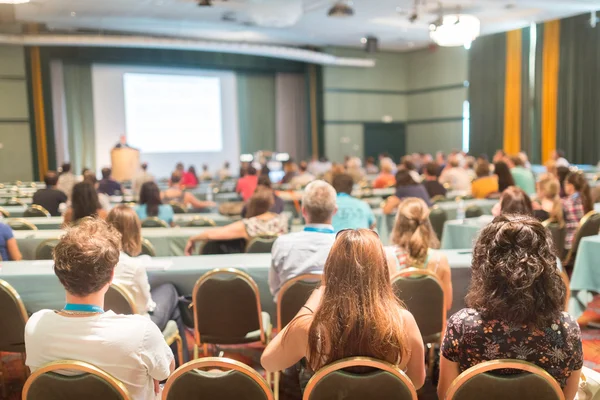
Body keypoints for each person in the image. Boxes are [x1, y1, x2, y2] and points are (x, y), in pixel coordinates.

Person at [24, 219, 174, 400]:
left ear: (60, 276)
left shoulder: (34, 326)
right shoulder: (141, 331)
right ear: (111, 275)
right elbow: (166, 371)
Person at [437, 215, 582, 400]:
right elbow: (567, 398)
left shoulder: (461, 326)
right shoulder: (567, 328)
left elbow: (446, 395)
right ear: (546, 266)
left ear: (484, 267)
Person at [261, 229, 426, 391]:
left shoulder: (311, 329)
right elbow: (416, 382)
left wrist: (311, 303)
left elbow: (268, 362)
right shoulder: (403, 322)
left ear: (330, 270)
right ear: (381, 271)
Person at [107, 206, 188, 363]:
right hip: (137, 324)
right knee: (171, 292)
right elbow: (146, 306)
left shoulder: (97, 262)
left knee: (172, 308)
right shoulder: (134, 266)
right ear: (135, 232)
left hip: (108, 321)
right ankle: (180, 368)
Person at [269, 180, 337, 298]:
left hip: (290, 316)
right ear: (335, 211)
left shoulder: (282, 244)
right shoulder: (345, 246)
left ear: (303, 210)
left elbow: (275, 290)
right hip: (332, 316)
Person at [390, 198, 452, 310]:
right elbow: (446, 305)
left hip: (398, 327)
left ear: (398, 223)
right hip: (433, 327)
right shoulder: (440, 259)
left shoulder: (386, 258)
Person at [184, 188, 288, 255]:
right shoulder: (283, 220)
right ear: (270, 204)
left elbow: (212, 235)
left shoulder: (249, 225)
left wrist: (192, 239)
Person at [563, 172, 593, 251]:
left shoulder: (567, 203)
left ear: (571, 186)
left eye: (565, 184)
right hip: (584, 244)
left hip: (570, 244)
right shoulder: (586, 199)